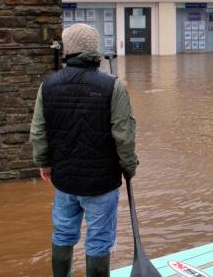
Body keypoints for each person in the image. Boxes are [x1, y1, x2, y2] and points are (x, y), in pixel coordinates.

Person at [30, 23, 139, 277]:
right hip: (101, 183)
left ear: (67, 50)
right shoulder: (113, 86)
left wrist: (44, 164)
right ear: (95, 50)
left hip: (65, 180)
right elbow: (124, 136)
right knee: (99, 241)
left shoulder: (48, 86)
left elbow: (38, 132)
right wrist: (129, 167)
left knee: (64, 234)